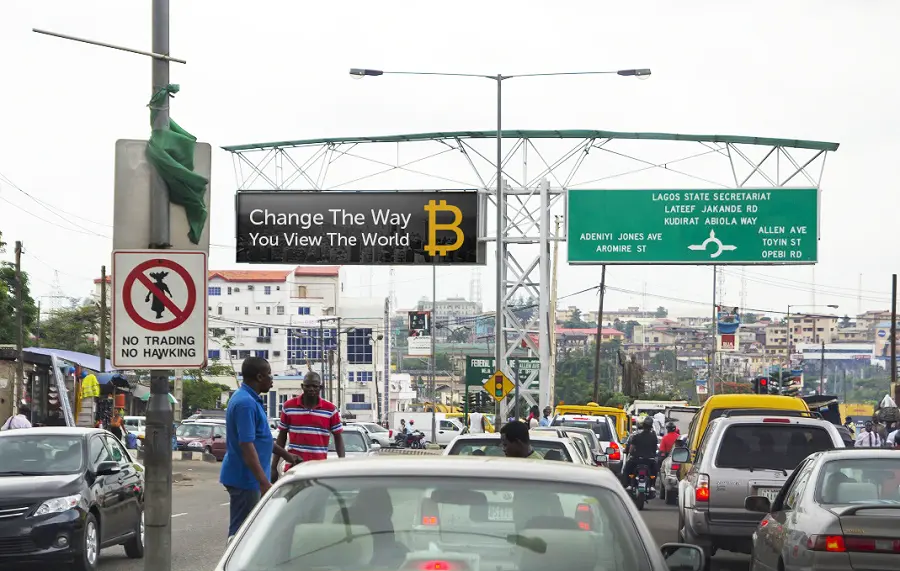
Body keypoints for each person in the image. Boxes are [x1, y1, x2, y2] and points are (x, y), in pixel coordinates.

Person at [220, 357, 299, 541]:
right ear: (259, 376)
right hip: (246, 479)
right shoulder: (245, 403)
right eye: (269, 374)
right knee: (241, 535)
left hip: (250, 478)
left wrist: (287, 455)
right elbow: (246, 446)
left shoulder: (250, 400)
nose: (272, 379)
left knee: (248, 531)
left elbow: (261, 439)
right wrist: (263, 482)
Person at [273, 370, 344, 478]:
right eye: (308, 386)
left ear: (320, 388)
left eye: (315, 386)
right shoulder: (288, 407)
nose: (311, 389)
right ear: (302, 386)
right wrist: (274, 467)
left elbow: (338, 438)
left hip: (319, 467)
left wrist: (342, 464)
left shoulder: (330, 410)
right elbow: (281, 437)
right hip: (295, 466)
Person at [622, 416, 659, 488]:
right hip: (650, 461)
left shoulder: (636, 436)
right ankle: (652, 485)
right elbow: (655, 448)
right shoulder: (654, 437)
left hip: (637, 460)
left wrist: (629, 452)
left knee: (627, 470)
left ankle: (628, 484)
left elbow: (631, 449)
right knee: (655, 471)